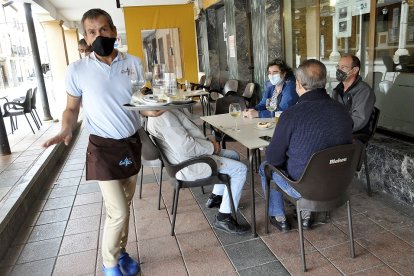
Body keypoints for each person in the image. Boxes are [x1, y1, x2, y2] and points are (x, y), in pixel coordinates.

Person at [42, 9, 163, 276]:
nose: (99, 35)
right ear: (85, 37)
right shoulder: (77, 70)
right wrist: (65, 128)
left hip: (130, 144)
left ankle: (121, 252)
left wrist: (151, 110)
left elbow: (140, 102)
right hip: (102, 148)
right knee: (117, 210)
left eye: (104, 29)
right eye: (92, 32)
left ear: (114, 32)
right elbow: (71, 109)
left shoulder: (134, 63)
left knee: (125, 205)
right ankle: (109, 265)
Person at [259, 59, 353, 232]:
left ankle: (278, 216)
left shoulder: (291, 115)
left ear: (298, 84)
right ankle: (306, 215)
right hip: (338, 185)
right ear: (324, 82)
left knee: (265, 165)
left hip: (304, 188)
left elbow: (274, 159)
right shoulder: (343, 111)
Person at [146, 109, 250, 235]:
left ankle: (216, 197)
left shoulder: (156, 113)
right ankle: (223, 218)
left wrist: (209, 144)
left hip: (180, 158)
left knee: (232, 155)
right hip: (188, 163)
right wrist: (212, 147)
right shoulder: (163, 117)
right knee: (240, 169)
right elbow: (186, 147)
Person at [332, 54, 376, 137]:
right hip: (339, 131)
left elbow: (358, 120)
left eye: (343, 67)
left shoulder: (364, 91)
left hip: (355, 136)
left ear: (355, 70)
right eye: (338, 67)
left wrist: (335, 129)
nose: (338, 70)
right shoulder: (337, 90)